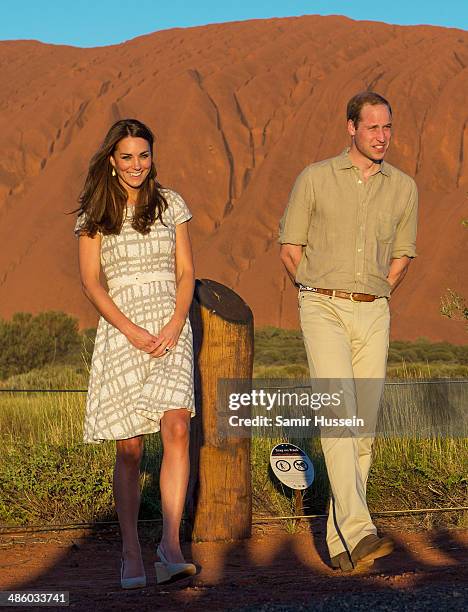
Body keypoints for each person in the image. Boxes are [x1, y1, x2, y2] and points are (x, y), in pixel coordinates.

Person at [279, 92, 418, 571]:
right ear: (351, 128)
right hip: (323, 307)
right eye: (373, 127)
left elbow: (403, 253)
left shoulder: (403, 187)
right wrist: (313, 292)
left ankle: (341, 541)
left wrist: (381, 291)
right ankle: (361, 529)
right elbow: (289, 247)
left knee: (363, 428)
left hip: (373, 310)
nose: (382, 137)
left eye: (388, 128)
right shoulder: (315, 178)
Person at [74, 119, 197, 588]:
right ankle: (130, 552)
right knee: (129, 448)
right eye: (127, 157)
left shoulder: (171, 204)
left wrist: (174, 321)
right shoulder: (93, 213)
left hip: (171, 324)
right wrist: (129, 329)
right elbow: (91, 282)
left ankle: (169, 546)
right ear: (112, 160)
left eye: (143, 155)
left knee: (178, 427)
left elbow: (186, 271)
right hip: (122, 329)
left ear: (152, 156)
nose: (136, 165)